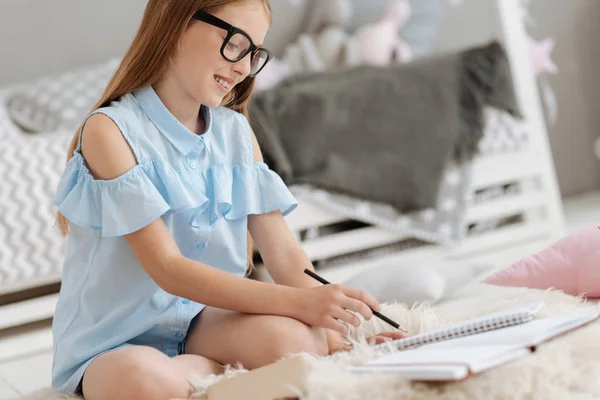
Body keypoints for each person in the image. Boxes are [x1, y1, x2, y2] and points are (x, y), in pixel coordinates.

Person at [51, 1, 404, 398]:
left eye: (254, 54)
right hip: (115, 341)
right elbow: (168, 268)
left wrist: (340, 329)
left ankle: (211, 376)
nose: (241, 67)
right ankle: (224, 375)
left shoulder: (236, 133)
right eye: (235, 43)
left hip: (201, 326)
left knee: (297, 343)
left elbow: (285, 256)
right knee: (144, 380)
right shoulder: (109, 131)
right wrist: (298, 305)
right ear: (177, 22)